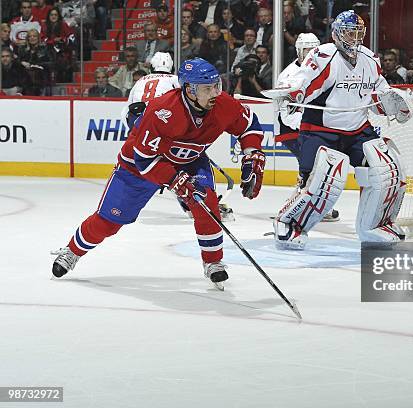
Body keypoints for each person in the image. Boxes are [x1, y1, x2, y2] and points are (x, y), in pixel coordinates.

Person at [51, 58, 266, 290]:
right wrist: (174, 181)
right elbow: (144, 159)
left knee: (206, 204)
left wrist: (252, 154)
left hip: (189, 162)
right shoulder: (162, 111)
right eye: (208, 88)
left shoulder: (223, 104)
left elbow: (248, 124)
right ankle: (72, 251)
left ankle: (213, 262)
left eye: (217, 86)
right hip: (138, 167)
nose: (215, 92)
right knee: (109, 222)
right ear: (190, 90)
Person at [268, 10, 413, 249]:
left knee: (389, 171)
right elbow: (304, 79)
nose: (354, 38)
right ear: (337, 33)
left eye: (358, 33)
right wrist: (291, 93)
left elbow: (377, 95)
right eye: (348, 32)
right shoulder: (324, 55)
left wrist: (394, 104)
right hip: (320, 130)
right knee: (322, 182)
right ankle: (290, 223)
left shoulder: (369, 59)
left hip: (357, 129)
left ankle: (376, 225)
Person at [274, 33, 339, 222]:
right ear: (298, 51)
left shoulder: (324, 68)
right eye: (306, 51)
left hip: (312, 128)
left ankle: (303, 204)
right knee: (313, 168)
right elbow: (286, 114)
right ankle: (298, 206)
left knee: (316, 168)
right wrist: (307, 126)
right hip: (292, 130)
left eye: (313, 50)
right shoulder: (288, 75)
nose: (310, 54)